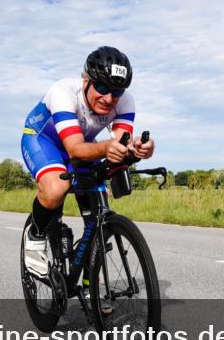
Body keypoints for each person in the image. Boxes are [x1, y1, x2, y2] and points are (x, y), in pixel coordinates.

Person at [20, 47, 154, 275]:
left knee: (99, 209)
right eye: (102, 87)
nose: (109, 98)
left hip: (83, 145)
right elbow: (74, 150)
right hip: (44, 141)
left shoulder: (125, 101)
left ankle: (89, 285)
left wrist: (139, 149)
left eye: (117, 91)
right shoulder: (62, 91)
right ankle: (35, 235)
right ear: (86, 80)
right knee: (56, 189)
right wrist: (106, 148)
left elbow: (121, 141)